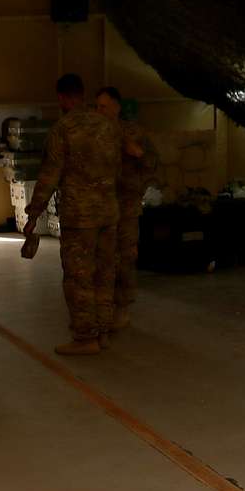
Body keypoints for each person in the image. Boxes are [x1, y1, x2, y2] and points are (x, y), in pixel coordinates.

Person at [25, 73, 137, 356]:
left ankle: (86, 336)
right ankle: (102, 331)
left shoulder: (63, 129)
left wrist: (34, 213)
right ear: (83, 95)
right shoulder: (109, 126)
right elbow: (121, 169)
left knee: (79, 277)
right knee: (104, 273)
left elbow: (50, 176)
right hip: (109, 214)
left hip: (80, 217)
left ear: (62, 97)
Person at [95, 86, 159, 336]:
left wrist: (137, 151)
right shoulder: (94, 135)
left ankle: (122, 307)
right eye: (96, 107)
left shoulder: (133, 132)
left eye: (104, 106)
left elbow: (152, 163)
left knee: (125, 257)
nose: (99, 111)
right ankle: (103, 306)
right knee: (102, 259)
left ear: (116, 107)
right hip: (100, 207)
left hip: (126, 207)